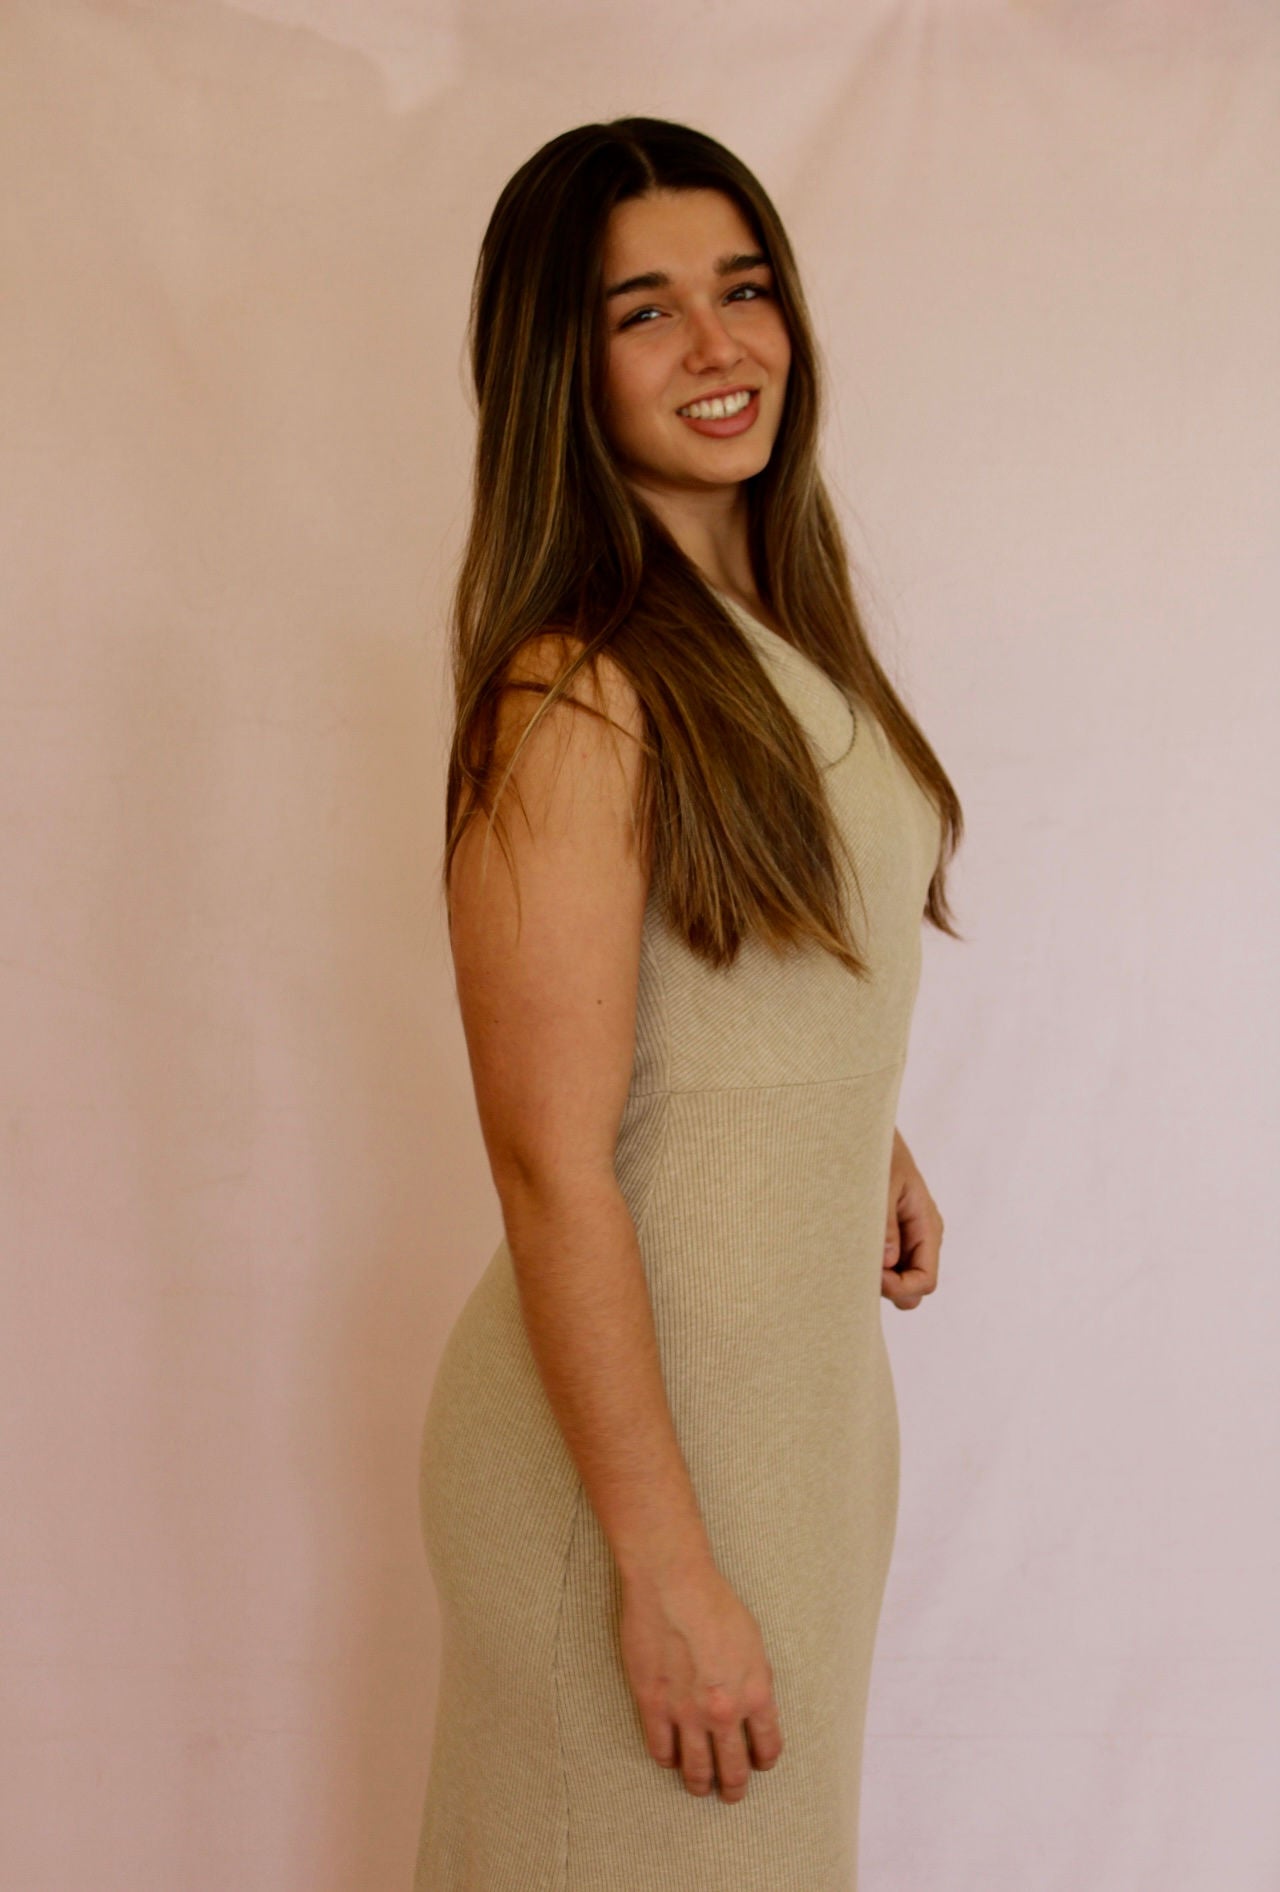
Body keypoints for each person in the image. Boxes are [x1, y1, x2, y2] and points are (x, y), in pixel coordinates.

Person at [414, 116, 963, 1891]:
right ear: (558, 366)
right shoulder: (573, 689)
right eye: (644, 311)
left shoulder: (770, 635)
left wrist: (858, 1126)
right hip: (641, 1474)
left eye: (744, 288)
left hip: (794, 1421)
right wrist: (657, 1565)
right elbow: (547, 1159)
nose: (720, 346)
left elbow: (749, 963)